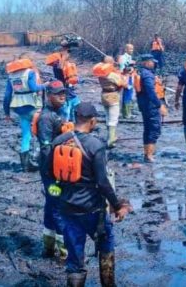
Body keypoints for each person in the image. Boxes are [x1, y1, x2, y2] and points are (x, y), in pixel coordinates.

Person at [51, 103, 132, 287]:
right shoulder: (96, 145)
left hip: (67, 209)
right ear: (93, 121)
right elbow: (103, 182)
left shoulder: (59, 141)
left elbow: (50, 172)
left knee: (74, 258)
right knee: (106, 245)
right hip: (93, 209)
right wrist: (117, 206)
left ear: (75, 118)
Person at [35, 80, 72, 261]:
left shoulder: (56, 113)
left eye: (63, 93)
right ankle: (64, 250)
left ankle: (48, 246)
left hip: (54, 167)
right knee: (57, 206)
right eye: (58, 93)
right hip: (51, 170)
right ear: (49, 95)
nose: (62, 96)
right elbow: (45, 147)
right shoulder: (46, 118)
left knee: (51, 205)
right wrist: (54, 170)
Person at [3, 55, 45, 172]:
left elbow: (7, 96)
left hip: (19, 108)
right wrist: (45, 85)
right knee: (41, 133)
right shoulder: (30, 73)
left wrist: (7, 113)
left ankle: (25, 165)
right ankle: (42, 159)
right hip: (33, 107)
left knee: (26, 135)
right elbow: (34, 88)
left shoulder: (11, 77)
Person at [93, 56, 126, 148]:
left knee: (108, 117)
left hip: (104, 95)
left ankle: (110, 137)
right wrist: (124, 76)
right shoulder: (112, 75)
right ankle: (111, 140)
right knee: (113, 118)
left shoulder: (101, 74)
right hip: (113, 96)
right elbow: (123, 84)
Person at [135, 54, 163, 163]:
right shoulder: (147, 75)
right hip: (150, 106)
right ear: (146, 62)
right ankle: (149, 156)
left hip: (144, 105)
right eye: (152, 62)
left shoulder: (142, 72)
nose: (154, 64)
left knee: (147, 129)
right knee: (154, 129)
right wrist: (159, 105)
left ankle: (147, 154)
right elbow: (150, 91)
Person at [46, 44, 80, 122]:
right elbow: (61, 66)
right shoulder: (58, 65)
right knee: (66, 112)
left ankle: (72, 125)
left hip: (68, 91)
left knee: (73, 110)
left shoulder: (59, 64)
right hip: (65, 90)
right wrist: (64, 55)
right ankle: (66, 127)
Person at [118, 44, 136, 119]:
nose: (131, 50)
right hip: (126, 78)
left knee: (130, 95)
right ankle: (126, 113)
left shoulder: (130, 57)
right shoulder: (123, 58)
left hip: (130, 77)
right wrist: (130, 69)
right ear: (126, 49)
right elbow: (122, 69)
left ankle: (128, 112)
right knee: (127, 95)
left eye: (132, 49)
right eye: (130, 49)